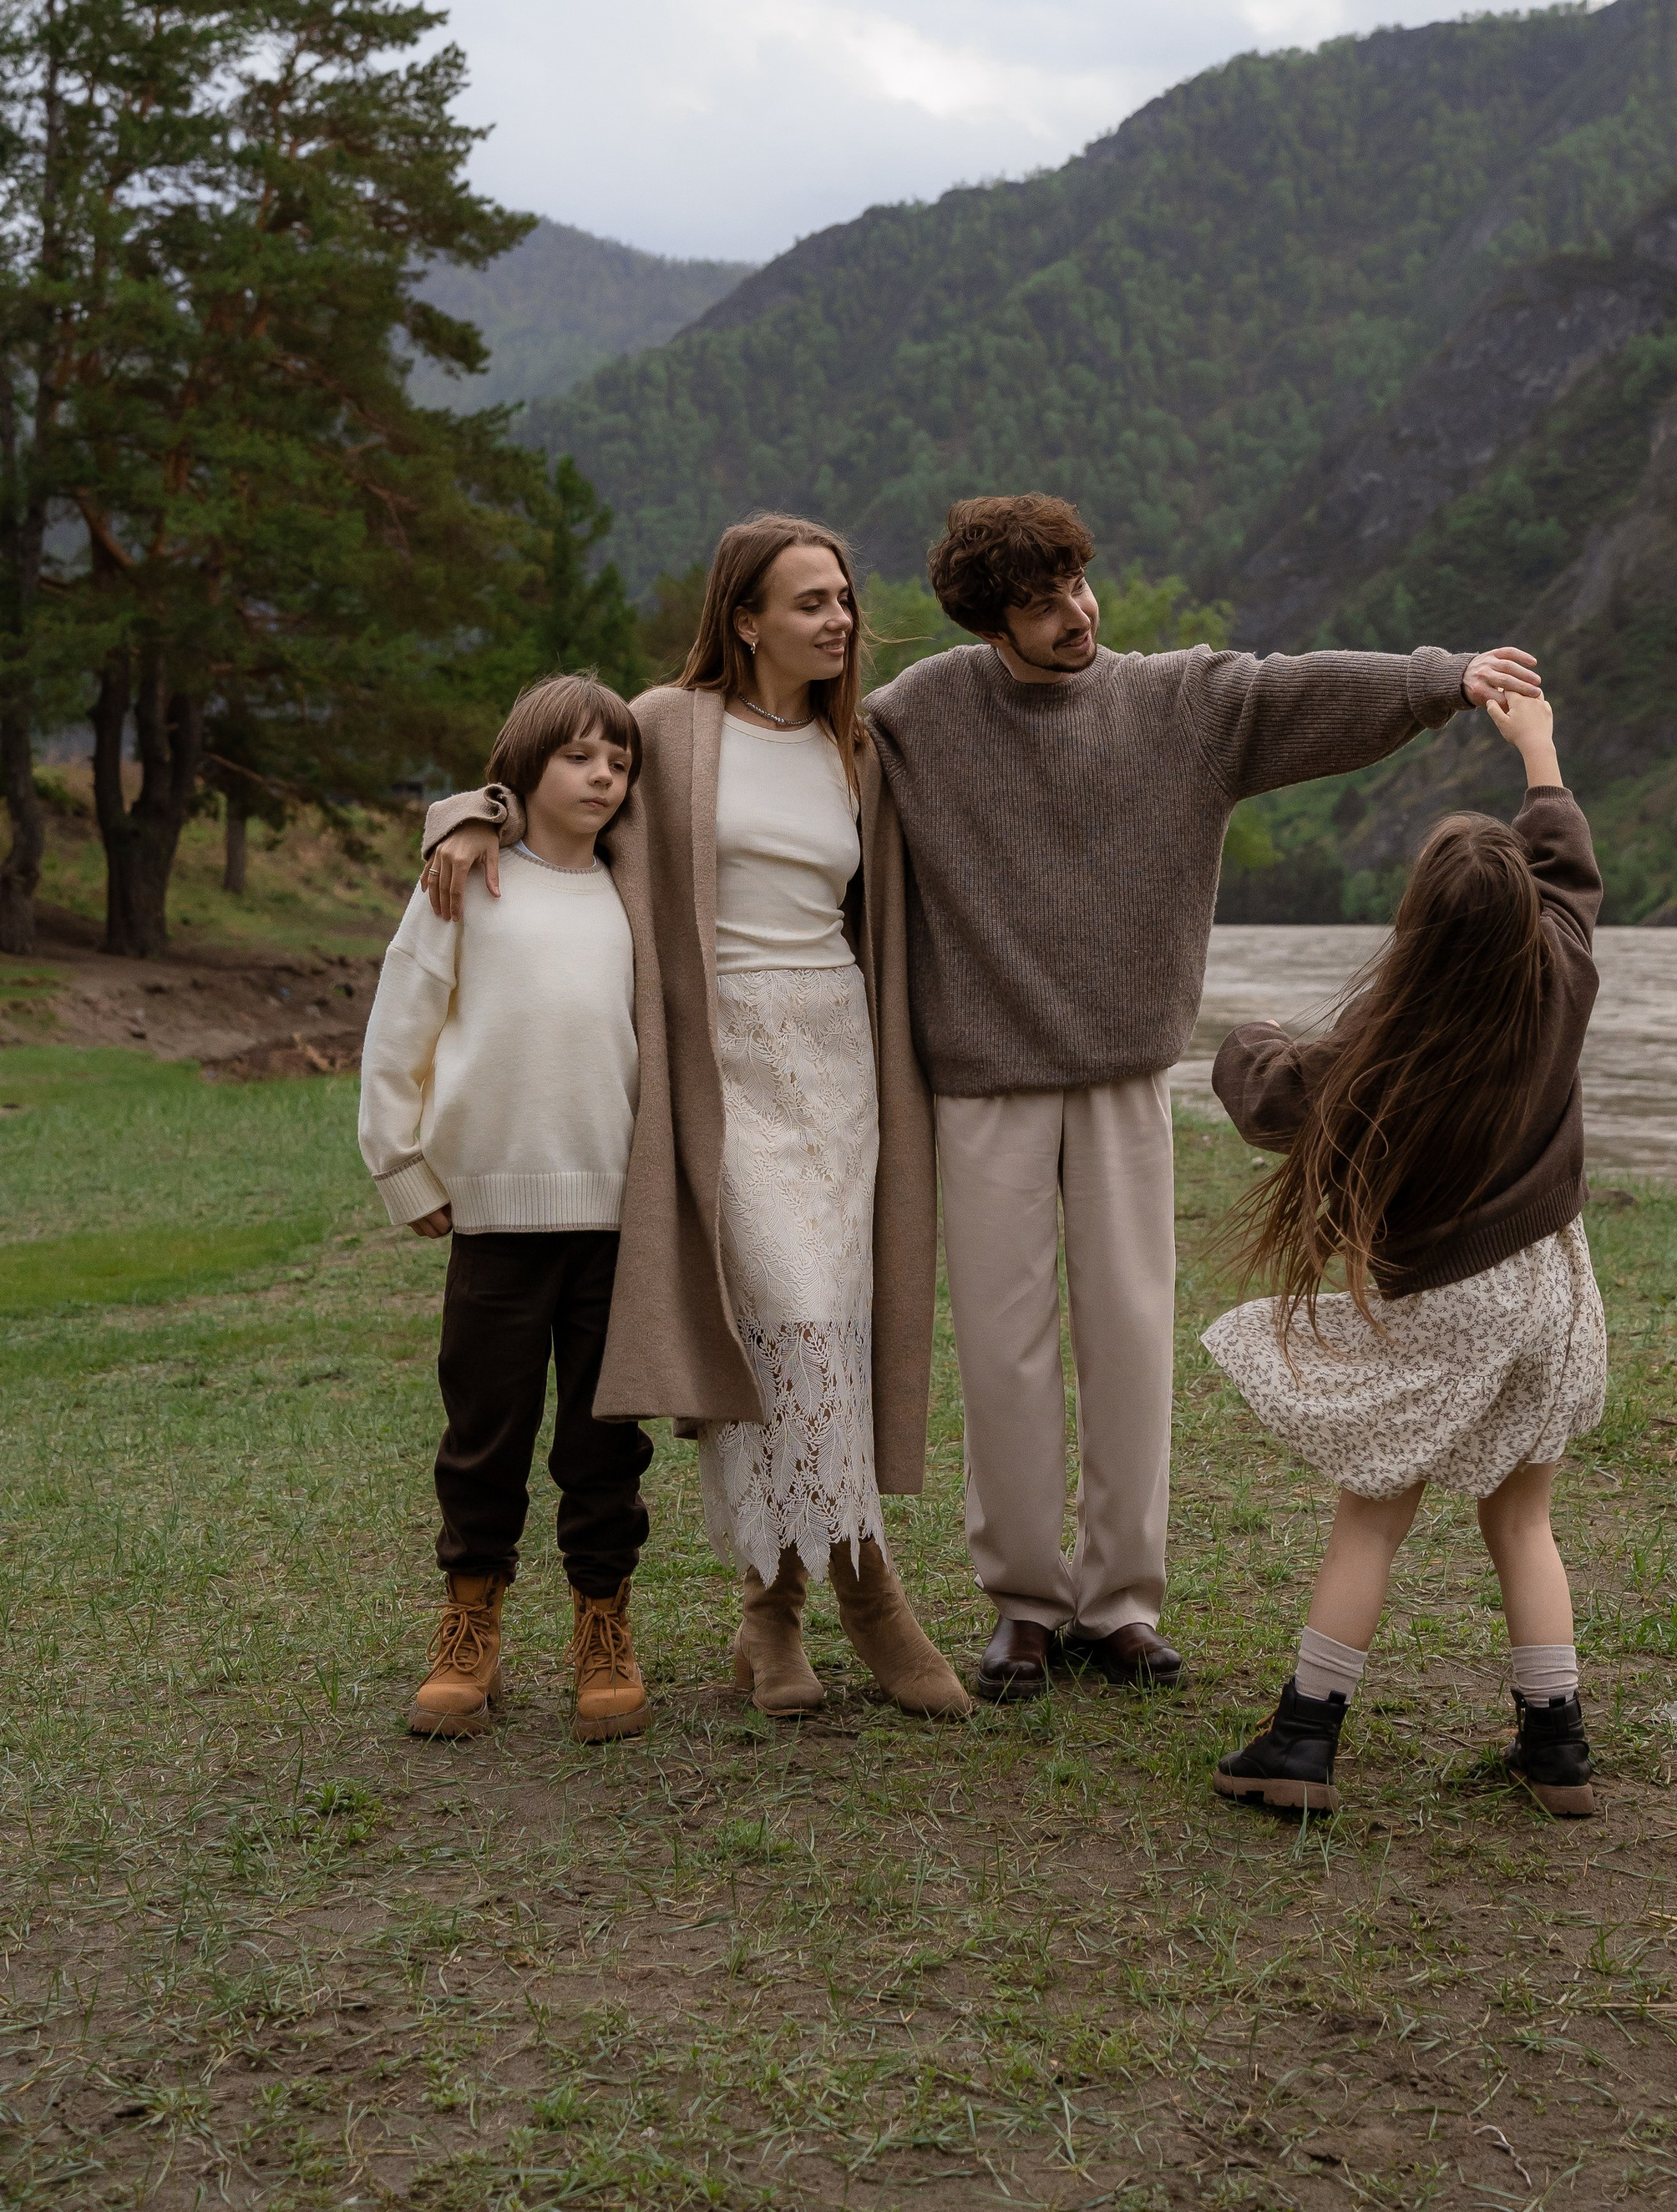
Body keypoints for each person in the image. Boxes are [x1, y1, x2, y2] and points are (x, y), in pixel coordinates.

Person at [862, 489, 1544, 1704]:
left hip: (1126, 1072)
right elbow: (776, 759)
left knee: (1130, 1336)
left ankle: (1120, 1603)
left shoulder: (1180, 702)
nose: (1077, 614)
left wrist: (1444, 678)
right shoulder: (918, 714)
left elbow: (1304, 694)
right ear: (988, 625)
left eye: (1079, 585)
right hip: (981, 1079)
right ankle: (1024, 1604)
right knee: (1004, 1355)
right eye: (1043, 605)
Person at [418, 518, 969, 1723]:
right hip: (720, 1064)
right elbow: (555, 773)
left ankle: (772, 1612)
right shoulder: (668, 726)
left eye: (844, 599)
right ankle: (867, 1594)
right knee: (784, 1322)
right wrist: (463, 816)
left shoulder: (857, 747)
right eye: (810, 602)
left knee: (828, 1328)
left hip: (837, 1057)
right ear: (745, 621)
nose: (839, 620)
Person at [1199, 682, 1604, 1817]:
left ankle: (1302, 1741)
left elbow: (1269, 1097)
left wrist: (1247, 1035)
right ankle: (1556, 1749)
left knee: (1372, 1518)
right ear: (1526, 910)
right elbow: (1569, 866)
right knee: (1522, 1519)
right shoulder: (1565, 969)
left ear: (1416, 929)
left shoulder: (1383, 1046)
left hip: (1448, 1301)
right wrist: (1537, 749)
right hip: (1556, 1290)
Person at [360, 672, 656, 1746]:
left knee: (603, 1443)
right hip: (493, 1215)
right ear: (523, 768)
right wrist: (403, 1168)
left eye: (618, 760)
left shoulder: (635, 890)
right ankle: (469, 1625)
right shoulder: (466, 880)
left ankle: (602, 1624)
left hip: (617, 1215)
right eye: (577, 756)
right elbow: (400, 1028)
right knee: (484, 1431)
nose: (602, 776)